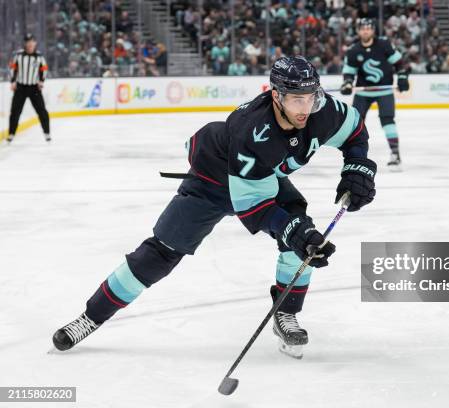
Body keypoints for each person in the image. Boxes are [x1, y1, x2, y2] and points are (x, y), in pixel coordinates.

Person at [52, 56, 377, 359]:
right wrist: (294, 231)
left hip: (261, 179)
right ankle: (90, 316)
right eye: (296, 99)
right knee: (161, 252)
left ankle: (286, 312)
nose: (306, 107)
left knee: (301, 237)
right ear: (276, 96)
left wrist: (358, 168)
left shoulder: (323, 110)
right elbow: (255, 207)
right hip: (214, 180)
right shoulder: (253, 130)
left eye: (311, 97)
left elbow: (355, 132)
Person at [341, 18, 409, 171]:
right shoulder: (353, 50)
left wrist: (403, 77)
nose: (365, 31)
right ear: (358, 31)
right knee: (355, 123)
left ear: (373, 30)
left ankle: (395, 154)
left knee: (387, 120)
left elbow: (399, 63)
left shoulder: (384, 44)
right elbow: (348, 73)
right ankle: (355, 156)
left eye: (368, 28)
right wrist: (347, 83)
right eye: (363, 28)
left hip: (384, 90)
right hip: (364, 91)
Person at [7, 33, 50, 143]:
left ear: (35, 43)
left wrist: (41, 81)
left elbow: (44, 69)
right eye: (28, 42)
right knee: (15, 111)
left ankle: (47, 133)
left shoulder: (39, 57)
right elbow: (13, 68)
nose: (30, 44)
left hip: (34, 88)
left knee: (42, 111)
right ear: (25, 44)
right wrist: (12, 81)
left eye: (32, 41)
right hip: (21, 87)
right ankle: (11, 134)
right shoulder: (18, 55)